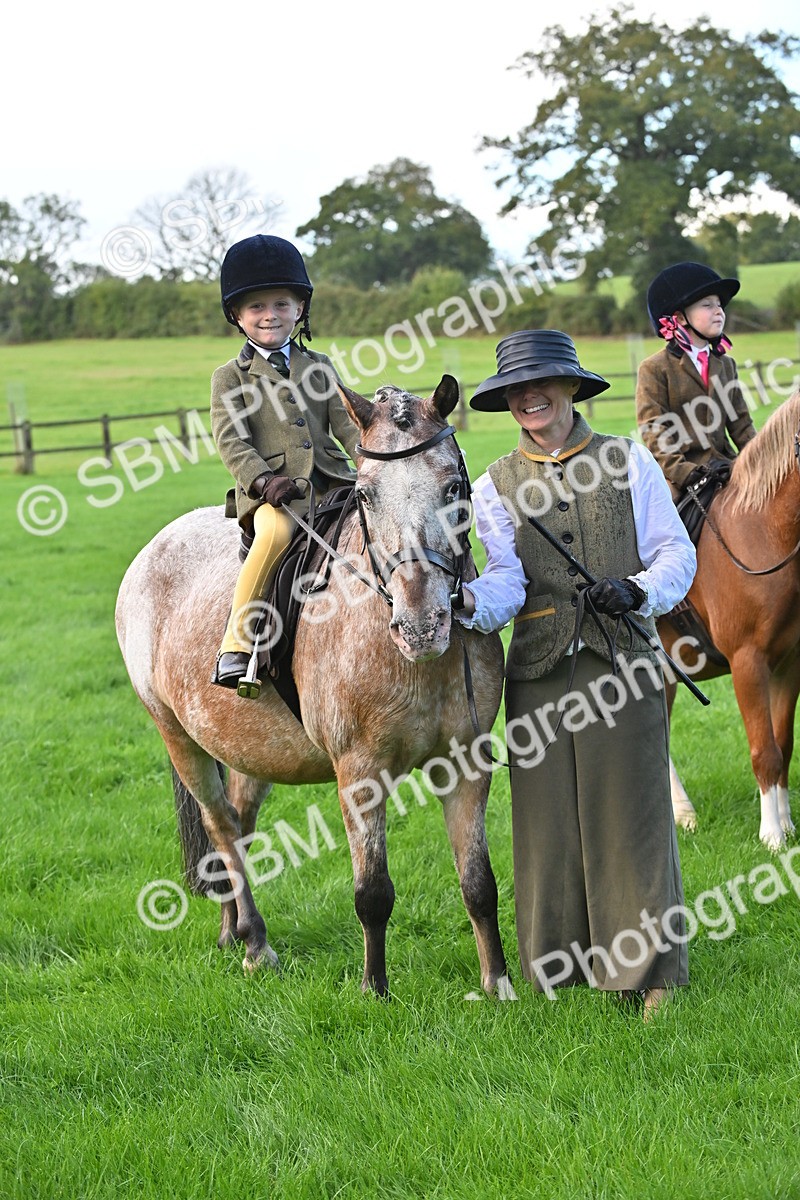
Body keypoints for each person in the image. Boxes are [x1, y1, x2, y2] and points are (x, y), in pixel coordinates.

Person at [454, 329, 696, 1018]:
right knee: (547, 824)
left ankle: (651, 974)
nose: (529, 397)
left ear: (569, 387)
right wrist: (467, 604)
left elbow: (675, 555)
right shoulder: (493, 484)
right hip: (537, 670)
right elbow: (504, 581)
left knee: (633, 816)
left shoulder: (629, 461)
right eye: (515, 391)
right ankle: (558, 967)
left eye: (541, 384)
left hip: (624, 662)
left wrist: (638, 591)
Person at [210, 234, 359, 691]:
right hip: (276, 495)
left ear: (300, 309)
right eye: (256, 307)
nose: (269, 315)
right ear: (238, 316)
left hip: (334, 483)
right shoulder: (229, 378)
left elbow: (349, 426)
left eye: (280, 303)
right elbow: (231, 441)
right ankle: (237, 644)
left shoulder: (320, 366)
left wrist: (373, 462)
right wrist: (262, 481)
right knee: (275, 533)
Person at [636, 261, 757, 501]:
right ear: (680, 318)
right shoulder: (654, 368)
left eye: (720, 305)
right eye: (707, 305)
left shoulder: (726, 365)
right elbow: (654, 430)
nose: (719, 311)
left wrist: (761, 459)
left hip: (725, 466)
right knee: (663, 516)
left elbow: (741, 424)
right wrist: (683, 472)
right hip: (680, 475)